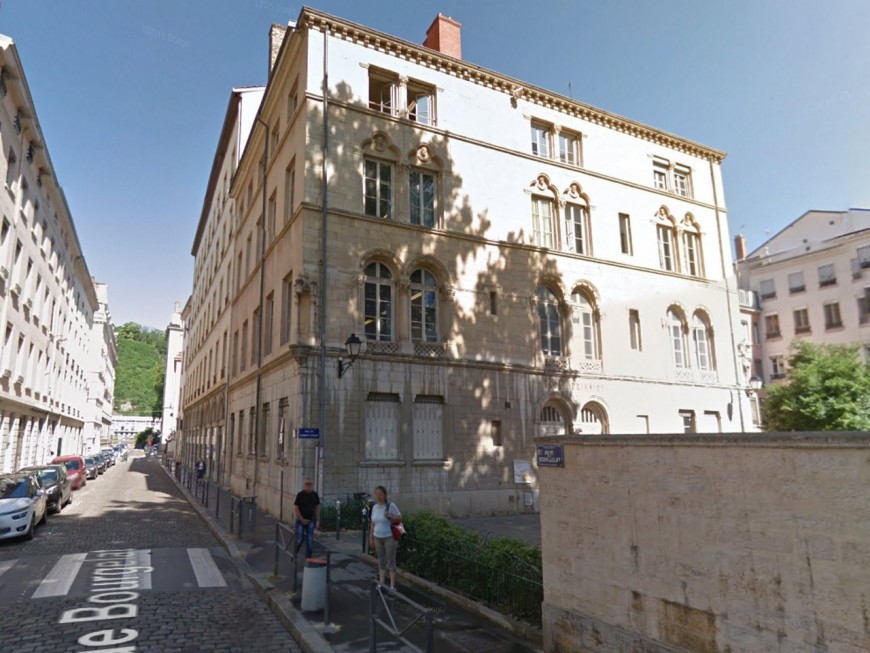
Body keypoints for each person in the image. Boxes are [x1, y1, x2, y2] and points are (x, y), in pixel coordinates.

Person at [369, 485, 401, 591]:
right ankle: (381, 583)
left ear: (384, 495)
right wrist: (371, 537)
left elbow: (400, 518)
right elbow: (373, 523)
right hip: (377, 537)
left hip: (389, 537)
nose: (378, 496)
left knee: (391, 561)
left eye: (380, 494)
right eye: (376, 494)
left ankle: (392, 585)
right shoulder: (374, 507)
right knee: (381, 560)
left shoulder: (390, 506)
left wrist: (390, 516)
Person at [293, 478, 320, 558]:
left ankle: (308, 557)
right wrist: (302, 519)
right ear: (304, 485)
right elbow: (296, 508)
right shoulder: (300, 495)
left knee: (310, 539)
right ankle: (295, 553)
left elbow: (317, 508)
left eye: (310, 484)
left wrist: (318, 520)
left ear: (312, 485)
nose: (308, 486)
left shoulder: (315, 495)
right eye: (306, 484)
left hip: (311, 519)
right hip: (301, 520)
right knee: (299, 539)